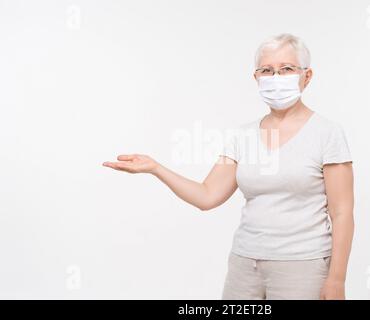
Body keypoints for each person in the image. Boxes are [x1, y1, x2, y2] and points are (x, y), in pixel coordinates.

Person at [102, 33, 354, 300]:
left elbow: (342, 212)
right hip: (244, 266)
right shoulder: (242, 136)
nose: (276, 78)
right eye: (266, 70)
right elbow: (207, 195)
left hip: (302, 267)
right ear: (256, 78)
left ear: (307, 75)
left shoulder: (327, 133)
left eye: (287, 69)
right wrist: (156, 168)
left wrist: (336, 280)